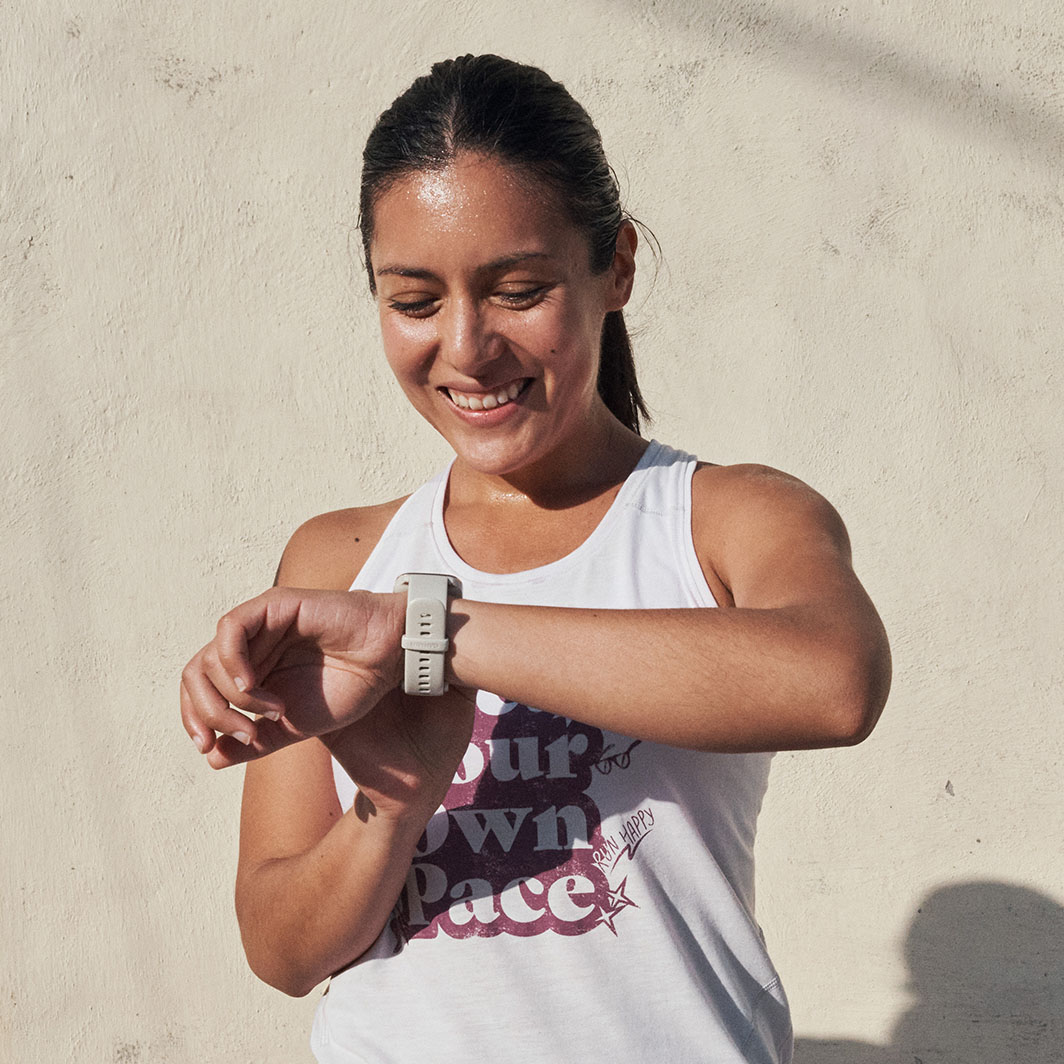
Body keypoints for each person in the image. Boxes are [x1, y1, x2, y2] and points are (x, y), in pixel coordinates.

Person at [180, 54, 890, 1064]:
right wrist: (391, 800)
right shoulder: (339, 555)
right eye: (414, 301)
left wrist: (430, 634)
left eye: (516, 289)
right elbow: (282, 946)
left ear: (616, 266)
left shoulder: (723, 517)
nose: (466, 348)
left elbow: (834, 680)